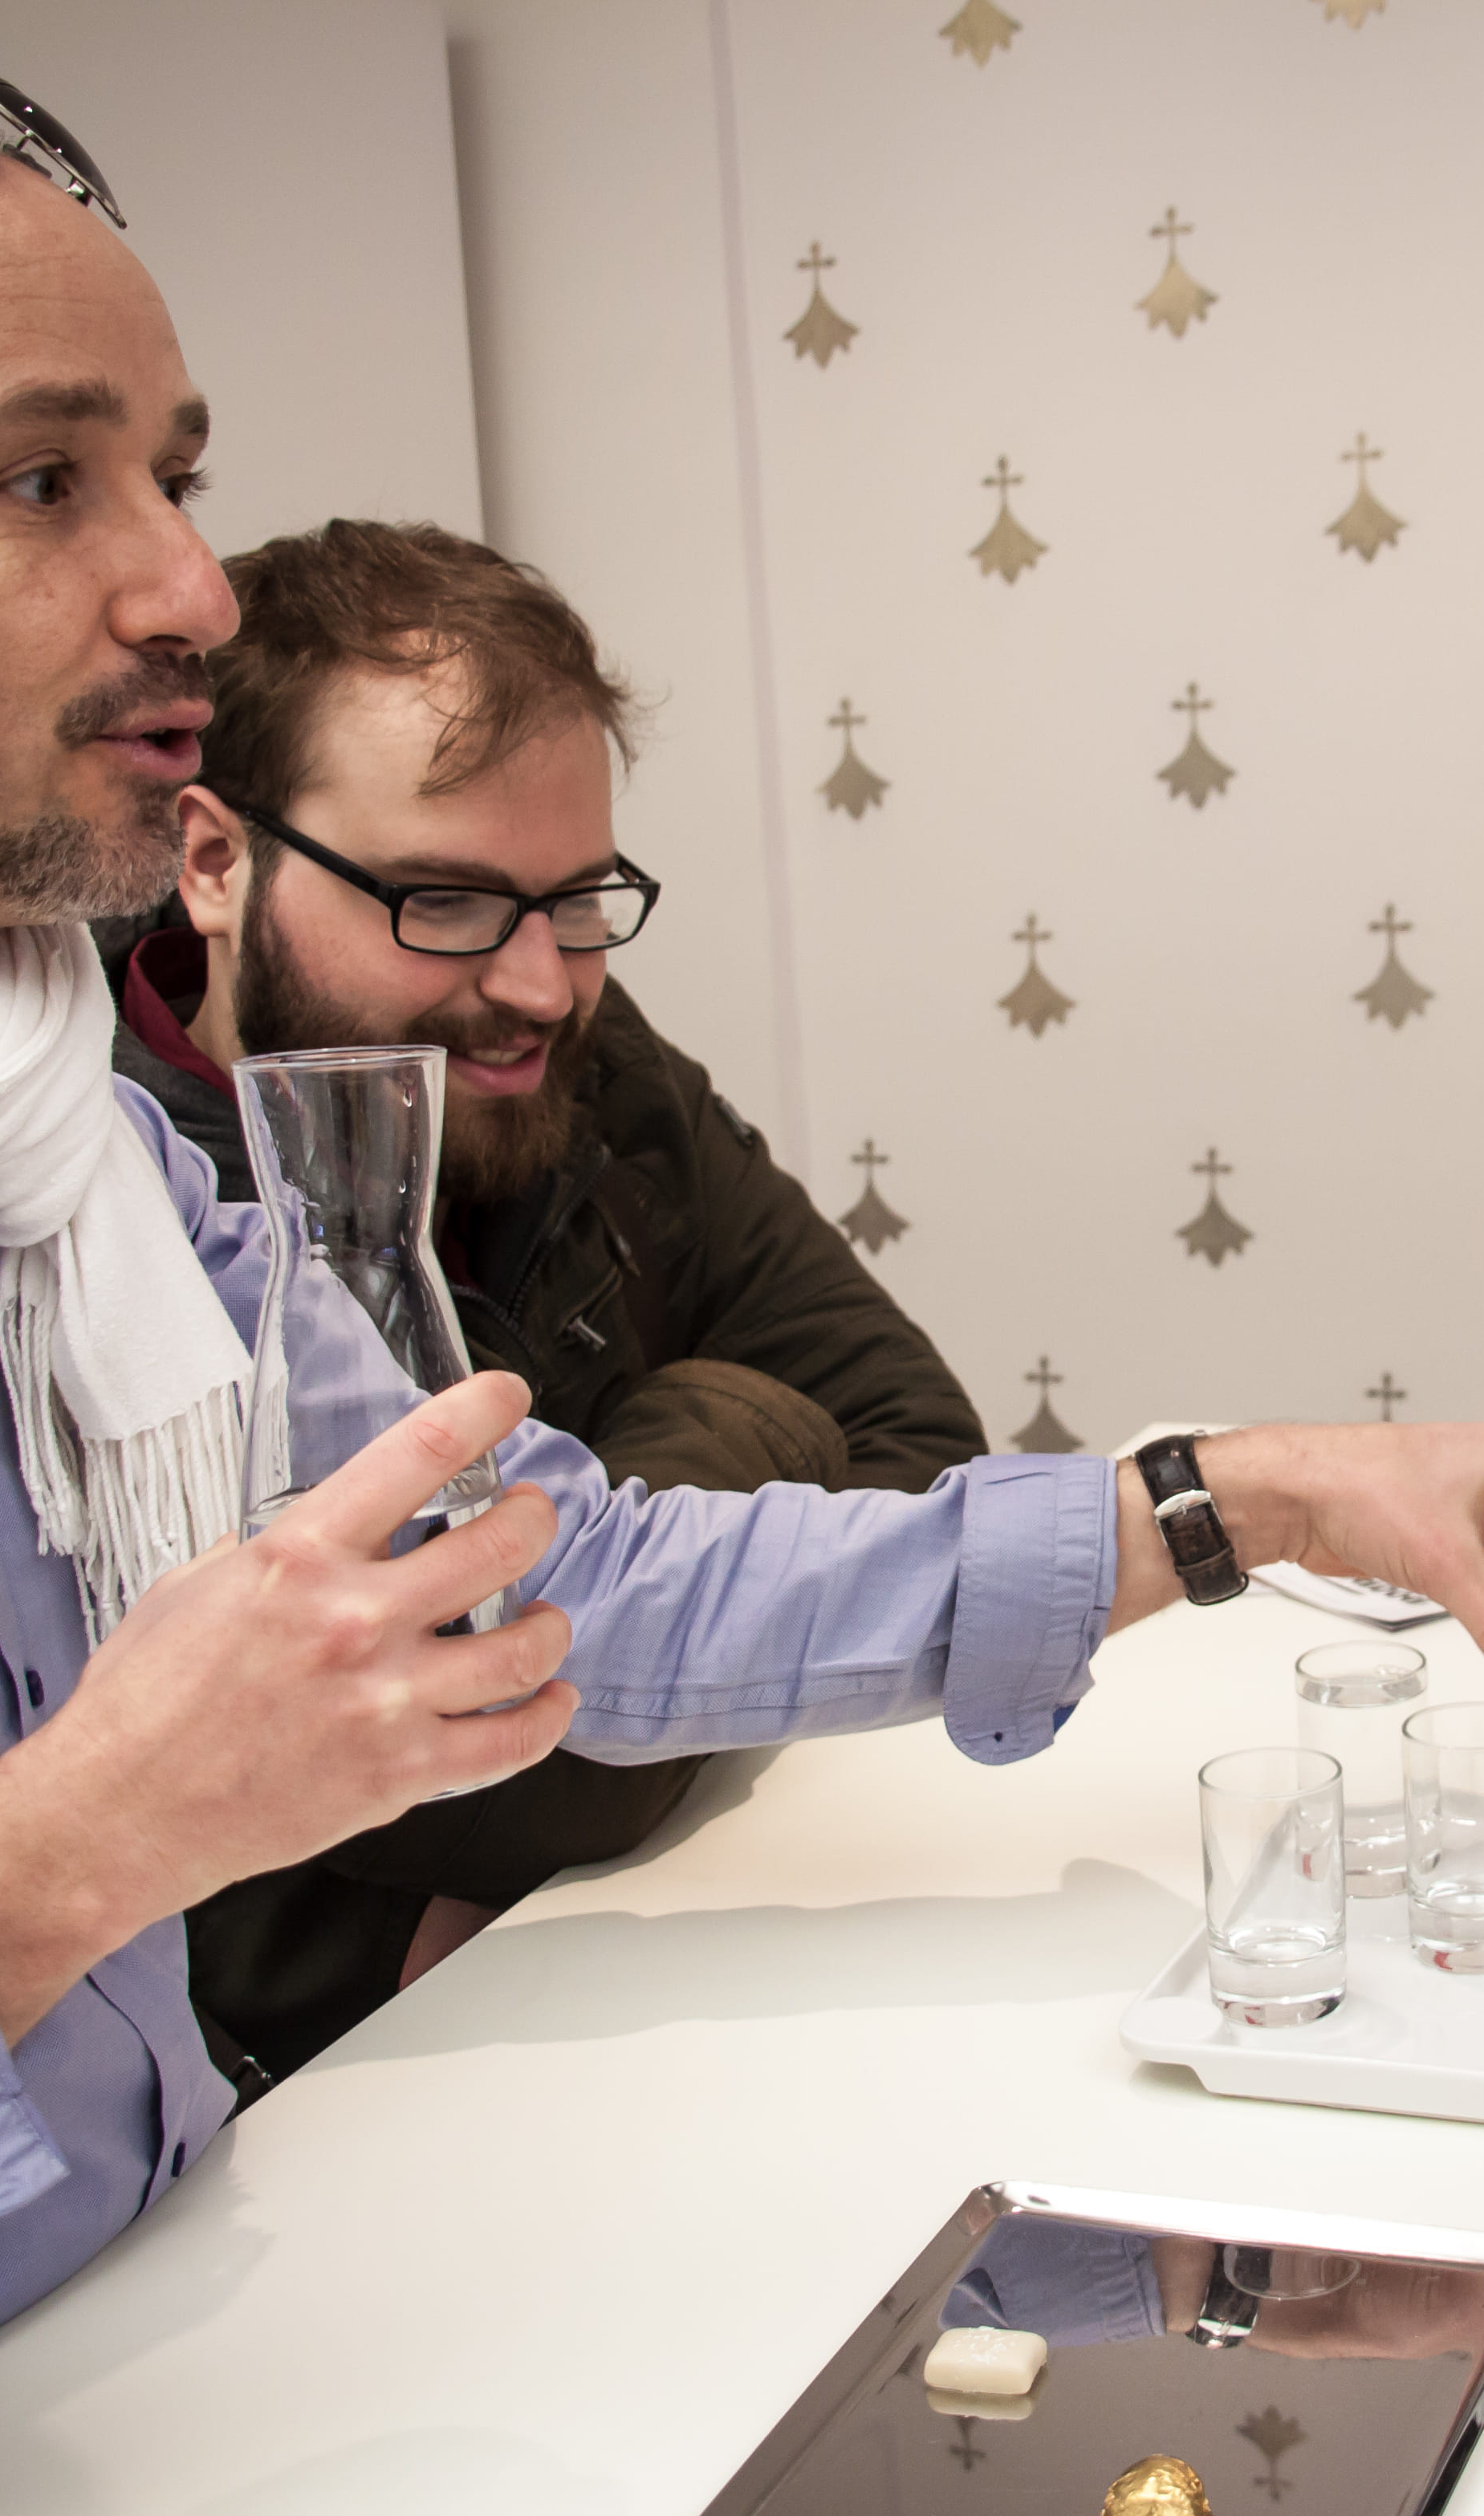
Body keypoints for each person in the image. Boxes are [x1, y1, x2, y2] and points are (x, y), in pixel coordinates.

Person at [0, 76, 1484, 2516]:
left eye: (173, 475)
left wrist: (1261, 1493)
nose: (188, 589)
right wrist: (66, 1853)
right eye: (43, 481)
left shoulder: (41, 1119)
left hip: (186, 2348)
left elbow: (576, 1586)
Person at [101, 518, 986, 2084]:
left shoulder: (556, 1045)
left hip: (654, 1981)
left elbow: (912, 1441)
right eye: (443, 899)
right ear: (217, 862)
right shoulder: (104, 1200)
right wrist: (745, 1467)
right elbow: (519, 1762)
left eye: (578, 900)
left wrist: (702, 1438)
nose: (539, 983)